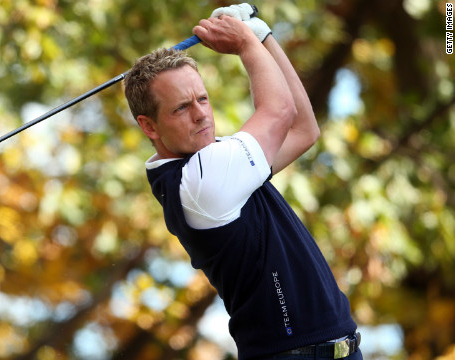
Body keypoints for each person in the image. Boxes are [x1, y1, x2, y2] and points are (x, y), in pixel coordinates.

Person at [123, 3, 362, 360]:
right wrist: (247, 44)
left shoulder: (216, 165)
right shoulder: (201, 182)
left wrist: (263, 36)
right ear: (149, 126)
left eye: (202, 99)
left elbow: (303, 130)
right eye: (181, 108)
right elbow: (281, 112)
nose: (201, 113)